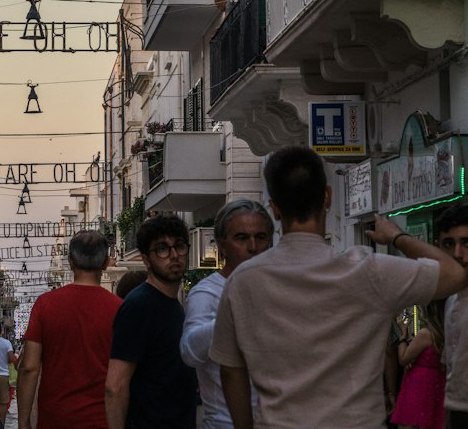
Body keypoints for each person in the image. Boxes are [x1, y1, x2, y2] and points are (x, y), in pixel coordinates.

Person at [210, 145, 468, 429]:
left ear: (274, 208)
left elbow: (232, 372)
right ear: (327, 197)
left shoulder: (242, 281)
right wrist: (396, 237)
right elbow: (455, 274)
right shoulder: (368, 271)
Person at [179, 199, 273, 429]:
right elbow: (190, 352)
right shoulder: (207, 293)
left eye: (260, 237)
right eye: (241, 238)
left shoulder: (277, 286)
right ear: (222, 245)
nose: (253, 246)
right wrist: (233, 315)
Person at [16, 229, 120, 429]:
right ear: (106, 263)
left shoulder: (45, 304)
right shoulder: (120, 309)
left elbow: (29, 367)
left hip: (56, 418)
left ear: (71, 261)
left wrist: (23, 422)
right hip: (102, 419)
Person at [105, 213, 198, 429]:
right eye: (162, 249)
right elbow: (115, 386)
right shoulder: (140, 306)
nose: (174, 255)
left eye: (179, 246)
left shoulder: (173, 305)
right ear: (146, 259)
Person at [391, 300, 445, 429]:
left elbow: (403, 358)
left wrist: (403, 335)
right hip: (438, 383)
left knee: (409, 422)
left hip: (418, 384)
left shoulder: (425, 334)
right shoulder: (444, 333)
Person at [437, 200, 468, 429]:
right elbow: (451, 367)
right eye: (449, 244)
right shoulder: (451, 300)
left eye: (466, 243)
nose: (458, 254)